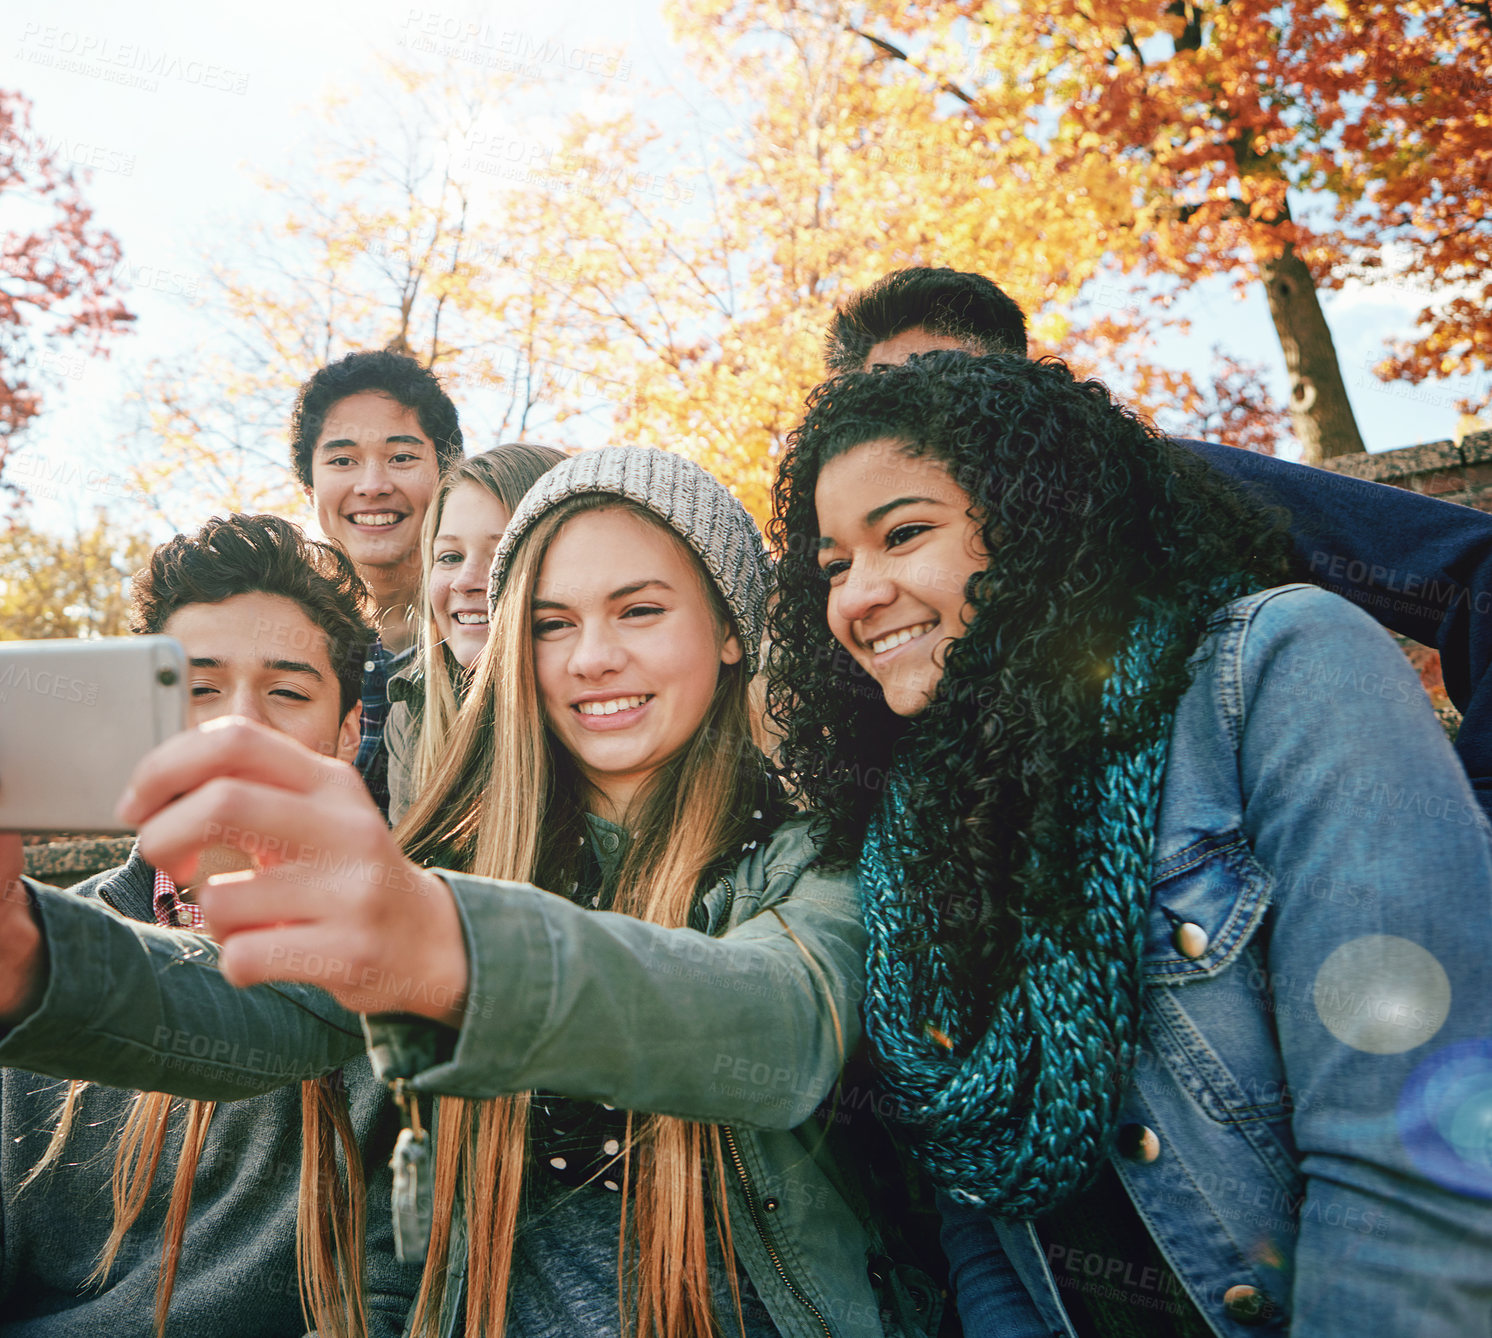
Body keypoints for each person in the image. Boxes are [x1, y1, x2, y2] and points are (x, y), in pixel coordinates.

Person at [0, 449, 940, 1338]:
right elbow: (264, 1000)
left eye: (640, 611)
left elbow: (779, 1027)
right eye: (550, 622)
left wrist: (453, 950)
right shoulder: (454, 852)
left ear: (733, 627)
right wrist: (36, 957)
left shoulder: (821, 855)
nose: (591, 658)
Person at [766, 352, 1492, 1336]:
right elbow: (979, 1203)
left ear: (1035, 514)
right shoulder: (916, 822)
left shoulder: (1278, 670)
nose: (857, 596)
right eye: (835, 566)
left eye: (903, 534)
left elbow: (1411, 1153)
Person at [824, 267, 1492, 816]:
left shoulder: (1176, 484)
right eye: (888, 403)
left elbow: (1474, 567)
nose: (931, 426)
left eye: (962, 390)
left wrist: (1473, 807)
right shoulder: (854, 601)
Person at [0, 514, 419, 1337]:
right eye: (196, 688)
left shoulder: (406, 960)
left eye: (288, 691)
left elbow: (403, 1289)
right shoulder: (33, 947)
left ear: (344, 736)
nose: (236, 725)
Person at [289, 349, 464, 814]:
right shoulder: (281, 644)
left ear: (447, 476)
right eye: (343, 461)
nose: (372, 485)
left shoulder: (493, 639)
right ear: (310, 488)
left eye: (401, 456)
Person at [385, 442, 565, 823]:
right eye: (450, 557)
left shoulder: (596, 711)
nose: (466, 581)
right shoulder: (414, 710)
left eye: (503, 556)